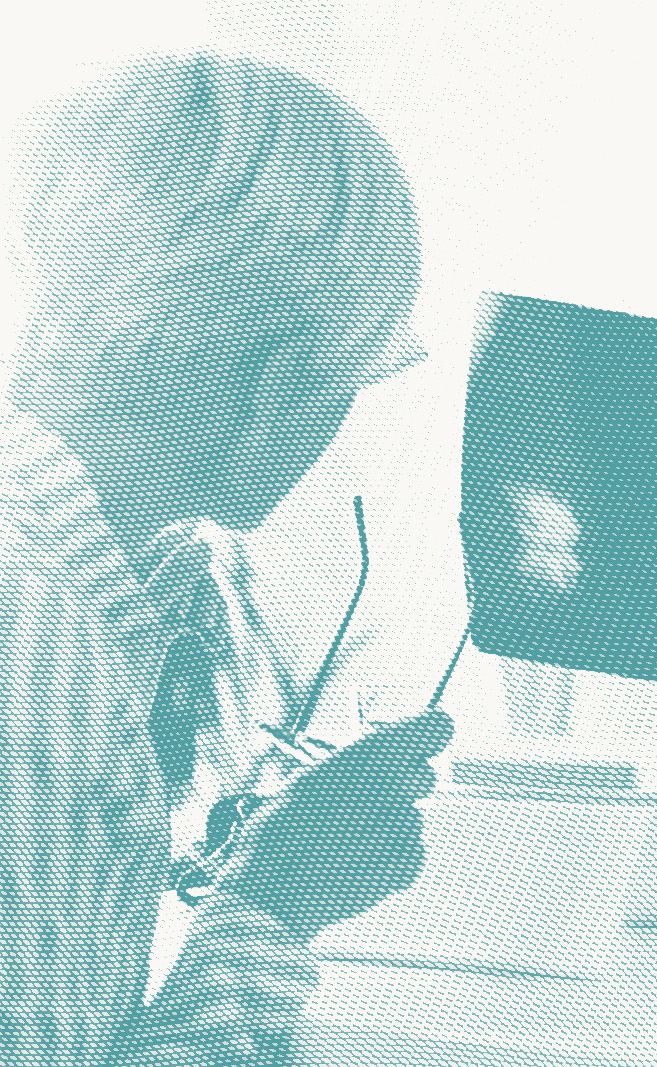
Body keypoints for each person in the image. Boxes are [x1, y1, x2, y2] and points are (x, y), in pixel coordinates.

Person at [3, 52, 450, 1064]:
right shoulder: (34, 628)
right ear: (281, 381)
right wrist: (273, 905)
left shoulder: (83, 587)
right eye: (357, 372)